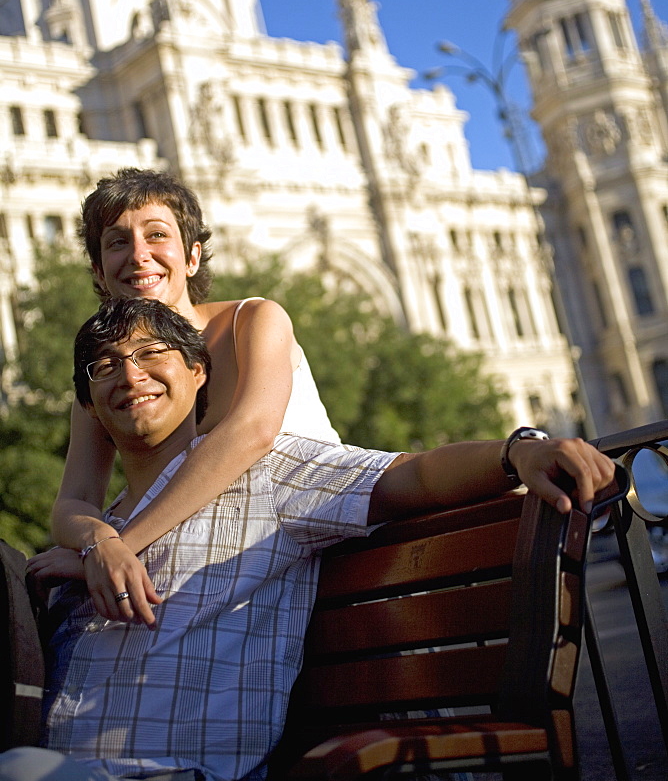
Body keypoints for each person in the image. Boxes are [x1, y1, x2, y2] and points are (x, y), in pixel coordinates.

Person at [3, 297, 615, 781]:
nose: (129, 374)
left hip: (166, 771)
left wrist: (518, 453)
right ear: (90, 405)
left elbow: (411, 475)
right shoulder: (90, 540)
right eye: (106, 365)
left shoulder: (270, 478)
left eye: (150, 352)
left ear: (197, 372)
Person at [29, 167, 339, 628]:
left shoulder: (251, 321)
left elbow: (250, 433)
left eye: (156, 235)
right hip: (214, 576)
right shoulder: (110, 377)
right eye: (117, 242)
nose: (139, 256)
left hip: (313, 539)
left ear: (192, 256)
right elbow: (72, 503)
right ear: (98, 270)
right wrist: (100, 542)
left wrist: (123, 545)